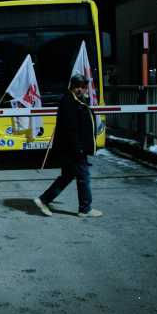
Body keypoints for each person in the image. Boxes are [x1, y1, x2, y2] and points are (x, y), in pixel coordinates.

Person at [34, 74, 103, 217]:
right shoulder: (69, 102)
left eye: (84, 87)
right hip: (73, 149)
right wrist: (79, 148)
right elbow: (71, 128)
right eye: (80, 87)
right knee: (83, 176)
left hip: (73, 148)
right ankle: (85, 208)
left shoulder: (76, 100)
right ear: (74, 87)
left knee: (67, 177)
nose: (83, 90)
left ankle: (44, 200)